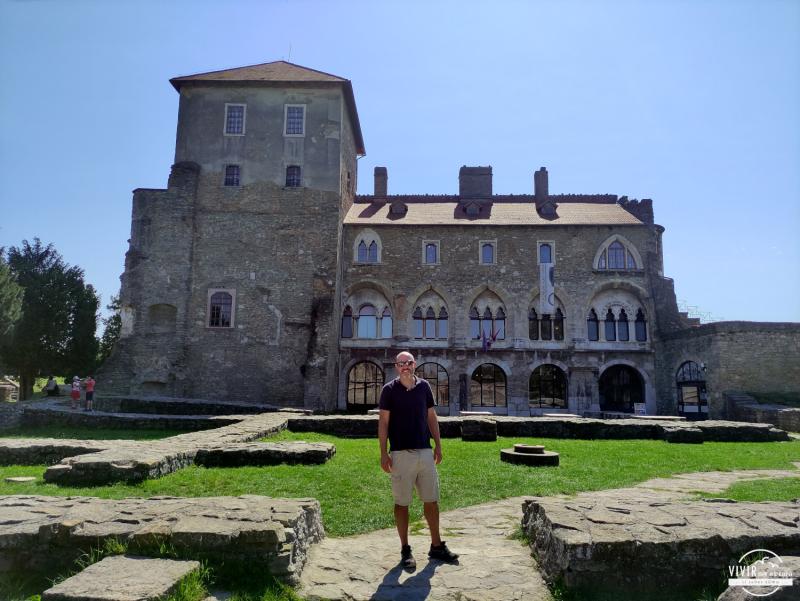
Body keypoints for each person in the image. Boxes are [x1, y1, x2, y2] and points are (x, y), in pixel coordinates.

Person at [378, 351, 459, 570]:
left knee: (431, 500)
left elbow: (431, 417)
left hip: (425, 451)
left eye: (409, 363)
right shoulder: (389, 390)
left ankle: (436, 545)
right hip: (400, 453)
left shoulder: (424, 387)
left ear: (415, 365)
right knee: (402, 503)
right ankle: (405, 549)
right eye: (401, 363)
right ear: (396, 367)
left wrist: (438, 445)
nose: (405, 366)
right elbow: (383, 423)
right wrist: (383, 453)